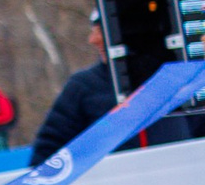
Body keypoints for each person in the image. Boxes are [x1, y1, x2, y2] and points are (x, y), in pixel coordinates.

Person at [29, 11, 195, 164]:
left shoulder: (174, 78)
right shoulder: (83, 86)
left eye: (101, 30)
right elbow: (47, 154)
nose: (93, 40)